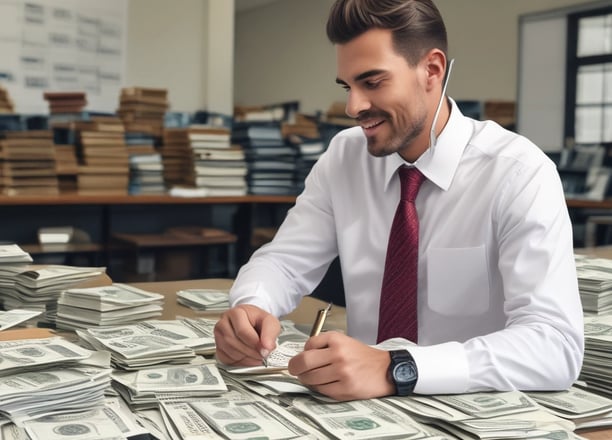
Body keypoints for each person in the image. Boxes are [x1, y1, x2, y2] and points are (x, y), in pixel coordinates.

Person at [214, 0, 584, 401]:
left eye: (372, 83)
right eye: (347, 87)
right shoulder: (345, 157)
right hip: (357, 410)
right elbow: (284, 261)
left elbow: (555, 346)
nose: (353, 107)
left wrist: (398, 368)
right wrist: (253, 306)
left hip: (470, 410)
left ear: (432, 70)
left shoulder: (518, 172)